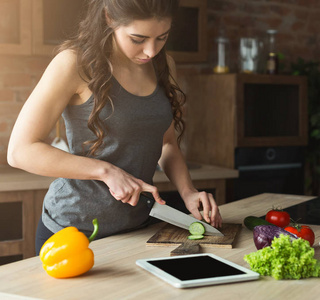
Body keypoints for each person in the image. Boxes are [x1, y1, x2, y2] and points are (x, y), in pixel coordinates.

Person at [7, 0, 222, 256]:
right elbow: (20, 151)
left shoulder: (164, 65)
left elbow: (166, 143)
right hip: (73, 232)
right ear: (109, 17)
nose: (151, 51)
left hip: (138, 228)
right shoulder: (75, 63)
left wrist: (188, 192)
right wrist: (106, 171)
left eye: (162, 37)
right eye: (138, 38)